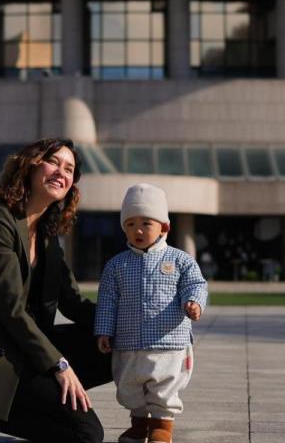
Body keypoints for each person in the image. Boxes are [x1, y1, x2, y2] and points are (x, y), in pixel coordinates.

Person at [0, 138, 111, 443]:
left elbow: (73, 303)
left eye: (70, 169)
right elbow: (10, 309)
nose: (61, 173)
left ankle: (1, 403)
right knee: (87, 435)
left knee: (117, 343)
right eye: (54, 162)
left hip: (27, 351)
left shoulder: (48, 235)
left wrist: (131, 323)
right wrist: (59, 364)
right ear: (30, 165)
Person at [95, 183, 209, 443]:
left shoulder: (180, 260)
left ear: (164, 227)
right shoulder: (117, 265)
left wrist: (194, 302)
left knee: (164, 386)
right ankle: (139, 423)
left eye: (146, 223)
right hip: (128, 341)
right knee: (130, 385)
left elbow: (196, 284)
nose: (138, 230)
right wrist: (103, 329)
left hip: (169, 343)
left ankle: (161, 426)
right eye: (131, 223)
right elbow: (108, 300)